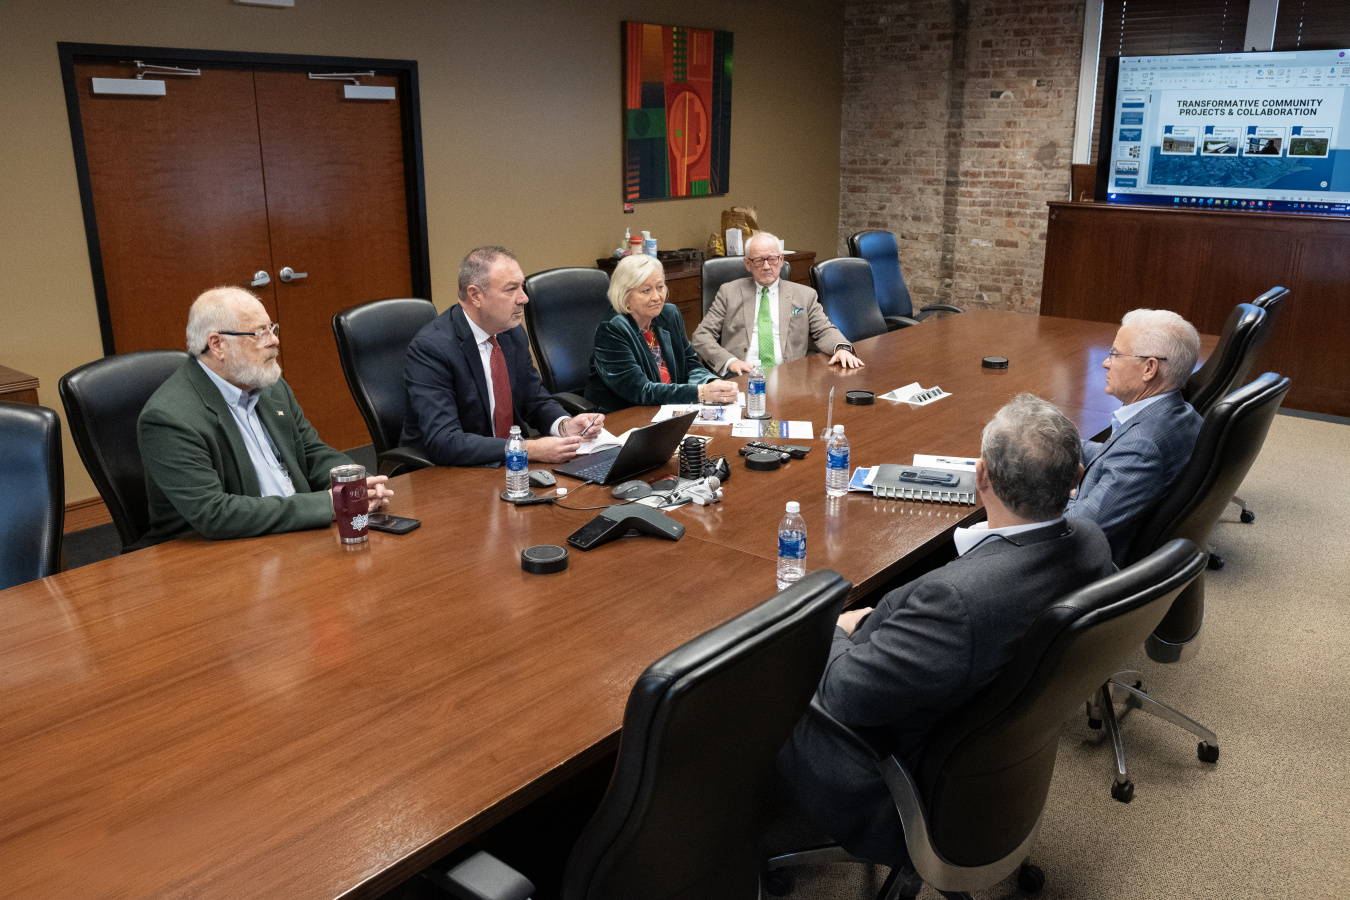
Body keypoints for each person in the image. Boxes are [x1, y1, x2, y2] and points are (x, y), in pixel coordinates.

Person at [774, 393, 1114, 867]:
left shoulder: (956, 602)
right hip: (990, 754)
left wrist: (830, 625)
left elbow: (842, 694)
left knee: (747, 677)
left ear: (981, 477)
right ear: (1075, 477)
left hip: (895, 768)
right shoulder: (1093, 544)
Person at [138, 286, 392, 543]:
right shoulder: (168, 418)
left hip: (293, 536)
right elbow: (214, 514)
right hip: (216, 554)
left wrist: (357, 485)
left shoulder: (270, 386)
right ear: (217, 345)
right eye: (259, 333)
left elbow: (312, 453)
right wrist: (329, 504)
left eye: (272, 329)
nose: (274, 340)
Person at [401, 246, 604, 466]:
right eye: (511, 289)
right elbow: (445, 441)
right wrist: (528, 448)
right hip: (445, 474)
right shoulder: (432, 348)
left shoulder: (512, 333)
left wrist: (564, 425)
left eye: (522, 287)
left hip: (506, 466)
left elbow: (534, 399)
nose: (524, 298)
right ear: (475, 295)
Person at [1065, 308, 1203, 565]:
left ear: (1149, 368)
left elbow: (1074, 531)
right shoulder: (1180, 413)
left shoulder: (1143, 446)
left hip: (1087, 566)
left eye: (1115, 354)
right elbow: (1112, 455)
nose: (1106, 362)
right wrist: (1048, 441)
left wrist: (1046, 494)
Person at [691, 231, 863, 375]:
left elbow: (824, 330)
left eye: (772, 259)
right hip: (741, 376)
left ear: (781, 260)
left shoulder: (805, 295)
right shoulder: (729, 292)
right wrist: (730, 362)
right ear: (747, 264)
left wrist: (841, 348)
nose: (766, 266)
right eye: (759, 260)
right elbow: (702, 336)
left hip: (791, 376)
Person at [584, 253, 739, 413]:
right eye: (646, 290)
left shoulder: (669, 314)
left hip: (670, 410)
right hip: (622, 416)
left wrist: (713, 384)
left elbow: (690, 364)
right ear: (625, 296)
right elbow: (640, 390)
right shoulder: (612, 329)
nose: (657, 297)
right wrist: (700, 393)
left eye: (660, 287)